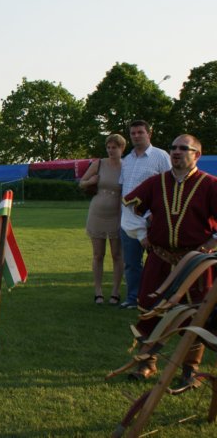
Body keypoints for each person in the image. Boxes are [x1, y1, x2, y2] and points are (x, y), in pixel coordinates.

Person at [121, 134, 217, 392]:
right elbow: (129, 208)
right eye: (173, 148)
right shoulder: (156, 183)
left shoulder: (210, 185)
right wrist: (141, 234)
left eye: (183, 148)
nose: (176, 152)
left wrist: (213, 241)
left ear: (196, 154)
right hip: (160, 259)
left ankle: (190, 370)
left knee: (196, 314)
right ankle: (147, 362)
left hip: (195, 263)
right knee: (151, 309)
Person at [118, 120, 171, 309]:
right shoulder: (127, 159)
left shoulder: (161, 156)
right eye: (133, 133)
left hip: (151, 219)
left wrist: (156, 214)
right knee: (131, 263)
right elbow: (124, 189)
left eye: (140, 132)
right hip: (128, 221)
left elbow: (169, 187)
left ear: (149, 133)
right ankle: (134, 298)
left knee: (158, 263)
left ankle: (157, 299)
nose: (136, 136)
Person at [79, 134, 126, 305]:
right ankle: (98, 291)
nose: (111, 150)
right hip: (97, 213)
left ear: (122, 148)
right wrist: (90, 181)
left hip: (117, 214)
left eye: (115, 147)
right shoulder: (98, 164)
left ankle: (115, 291)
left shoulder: (127, 166)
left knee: (117, 255)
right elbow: (81, 183)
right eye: (109, 147)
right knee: (98, 254)